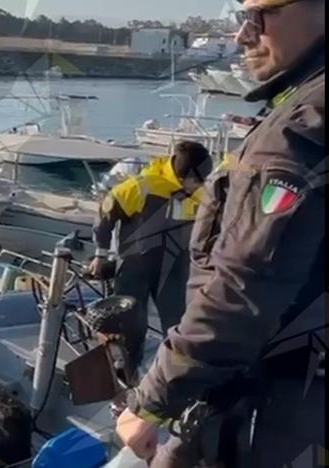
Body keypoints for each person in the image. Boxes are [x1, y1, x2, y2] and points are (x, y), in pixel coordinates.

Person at [116, 0, 326, 466]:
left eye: (260, 15)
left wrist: (152, 400)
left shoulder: (299, 129)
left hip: (275, 405)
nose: (243, 34)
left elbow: (247, 283)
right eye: (241, 17)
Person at [89, 141, 212, 380]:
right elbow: (106, 214)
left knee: (177, 323)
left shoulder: (200, 193)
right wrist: (100, 254)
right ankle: (126, 373)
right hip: (134, 268)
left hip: (174, 269)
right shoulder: (142, 186)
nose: (202, 186)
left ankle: (173, 376)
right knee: (131, 325)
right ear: (185, 176)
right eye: (199, 181)